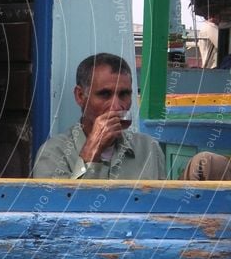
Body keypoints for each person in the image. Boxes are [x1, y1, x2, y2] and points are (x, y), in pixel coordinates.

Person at [32, 53, 231, 181]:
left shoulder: (148, 149)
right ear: (80, 96)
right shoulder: (53, 154)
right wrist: (92, 151)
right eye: (105, 94)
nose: (117, 106)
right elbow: (59, 219)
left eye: (124, 94)